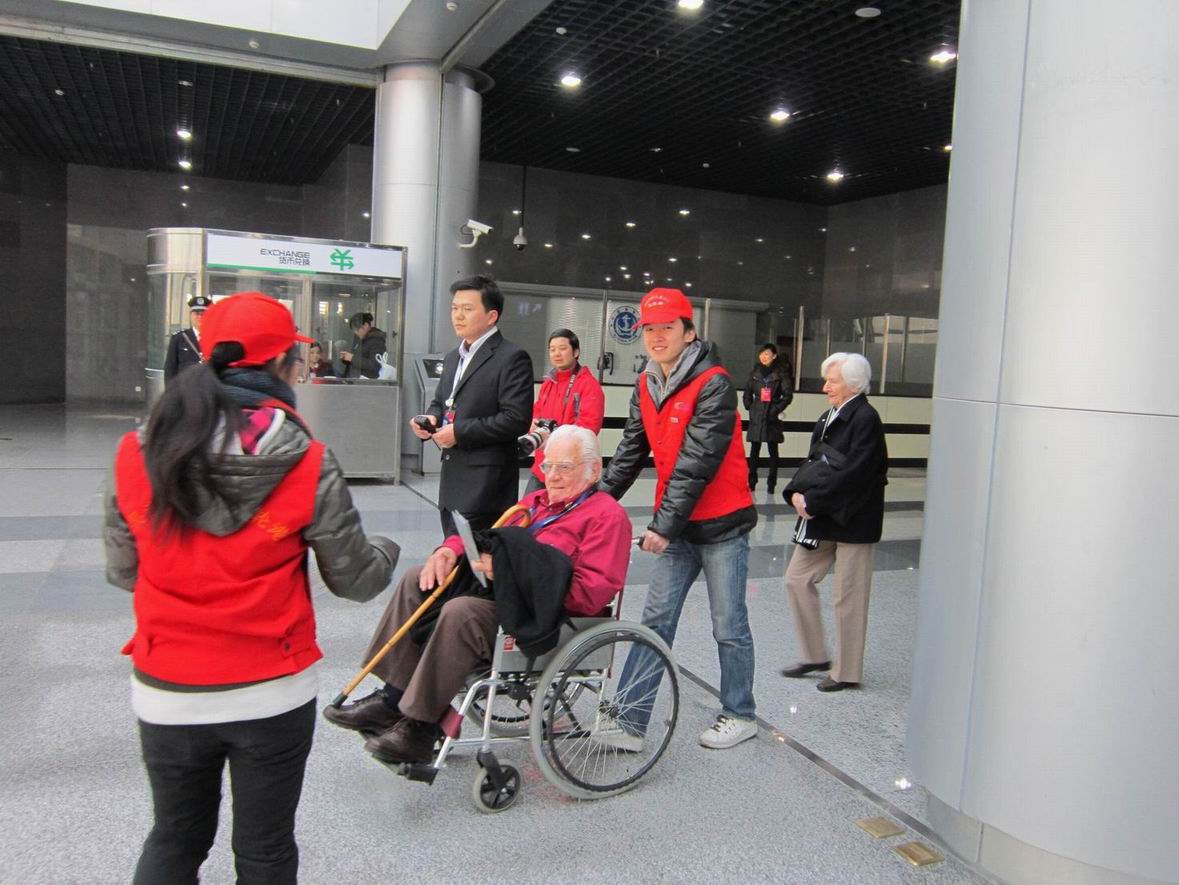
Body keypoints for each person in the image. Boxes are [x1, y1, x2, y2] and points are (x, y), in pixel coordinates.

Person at [103, 291, 399, 885]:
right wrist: (387, 550)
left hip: (168, 684)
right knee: (265, 848)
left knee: (174, 838)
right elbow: (356, 581)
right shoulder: (307, 461)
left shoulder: (139, 452)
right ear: (284, 366)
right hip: (270, 689)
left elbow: (124, 570)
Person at [324, 425, 631, 763]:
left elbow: (588, 596)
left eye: (565, 467)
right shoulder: (535, 503)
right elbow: (491, 536)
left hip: (546, 616)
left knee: (461, 611)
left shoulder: (607, 517)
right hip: (502, 596)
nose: (553, 476)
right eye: (548, 466)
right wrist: (450, 549)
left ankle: (421, 726)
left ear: (594, 470)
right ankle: (392, 699)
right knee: (417, 580)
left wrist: (512, 573)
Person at [600, 288, 759, 750]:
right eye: (649, 329)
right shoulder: (647, 383)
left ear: (689, 333)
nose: (656, 337)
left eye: (667, 328)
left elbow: (696, 463)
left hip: (722, 524)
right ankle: (629, 722)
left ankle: (740, 713)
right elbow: (631, 450)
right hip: (677, 526)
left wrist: (661, 527)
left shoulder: (714, 383)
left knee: (728, 625)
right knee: (655, 621)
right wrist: (594, 503)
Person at [780, 352, 888, 692]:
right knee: (796, 579)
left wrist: (813, 501)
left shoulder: (865, 418)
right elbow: (815, 462)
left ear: (853, 384)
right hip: (825, 515)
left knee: (848, 597)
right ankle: (814, 654)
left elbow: (857, 473)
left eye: (833, 381)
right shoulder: (830, 415)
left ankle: (847, 672)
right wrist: (796, 491)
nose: (825, 386)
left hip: (854, 519)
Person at [410, 275, 533, 536]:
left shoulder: (511, 357)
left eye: (467, 309)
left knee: (478, 557)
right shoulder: (453, 358)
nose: (458, 315)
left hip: (486, 487)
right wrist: (431, 418)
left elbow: (516, 419)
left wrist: (459, 431)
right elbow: (440, 402)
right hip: (451, 481)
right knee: (453, 553)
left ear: (491, 316)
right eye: (454, 308)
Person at [523, 328, 606, 494]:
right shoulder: (549, 382)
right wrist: (532, 424)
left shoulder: (589, 385)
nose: (556, 354)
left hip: (571, 470)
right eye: (552, 349)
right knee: (528, 509)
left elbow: (589, 428)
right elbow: (536, 411)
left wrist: (557, 439)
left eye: (562, 348)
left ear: (576, 352)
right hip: (542, 466)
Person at [742, 342, 793, 495]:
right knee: (754, 450)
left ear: (774, 356)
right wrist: (750, 406)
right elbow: (747, 392)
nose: (764, 357)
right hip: (757, 413)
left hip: (772, 414)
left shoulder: (781, 373)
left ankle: (772, 483)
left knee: (773, 450)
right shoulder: (755, 372)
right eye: (762, 354)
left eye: (767, 354)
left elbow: (787, 395)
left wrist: (776, 410)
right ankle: (752, 481)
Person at [162, 294, 212, 384]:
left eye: (203, 314)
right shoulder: (179, 338)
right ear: (190, 315)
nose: (199, 317)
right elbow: (170, 369)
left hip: (207, 388)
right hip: (184, 389)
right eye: (196, 313)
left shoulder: (214, 339)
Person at [338, 311, 387, 379]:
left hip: (366, 381)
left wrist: (352, 358)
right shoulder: (360, 339)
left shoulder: (377, 341)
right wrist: (346, 358)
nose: (356, 332)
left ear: (366, 325)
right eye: (354, 330)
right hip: (354, 379)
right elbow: (357, 360)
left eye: (357, 329)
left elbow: (375, 365)